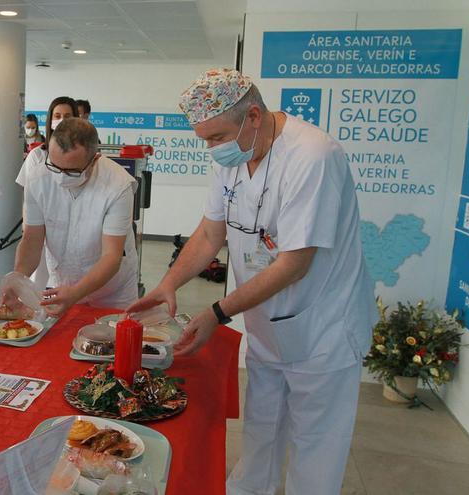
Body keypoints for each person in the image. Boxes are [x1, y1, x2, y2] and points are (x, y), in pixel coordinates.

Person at [128, 69, 376, 495]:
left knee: (315, 455)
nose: (211, 149)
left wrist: (218, 312)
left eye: (217, 137)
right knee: (261, 437)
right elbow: (210, 234)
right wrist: (169, 284)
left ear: (254, 116)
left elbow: (294, 263)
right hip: (268, 328)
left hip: (323, 332)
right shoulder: (237, 156)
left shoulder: (312, 156)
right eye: (204, 139)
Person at [11, 118, 138, 317]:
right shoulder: (37, 177)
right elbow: (32, 240)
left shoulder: (118, 185)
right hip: (63, 284)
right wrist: (17, 280)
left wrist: (76, 293)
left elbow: (111, 257)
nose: (60, 177)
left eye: (71, 171)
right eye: (54, 165)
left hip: (112, 292)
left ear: (94, 159)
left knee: (111, 340)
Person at [16, 96, 79, 290]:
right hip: (41, 227)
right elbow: (29, 196)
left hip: (74, 229)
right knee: (42, 283)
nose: (61, 120)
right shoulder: (37, 155)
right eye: (57, 115)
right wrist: (28, 227)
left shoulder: (84, 155)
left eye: (67, 116)